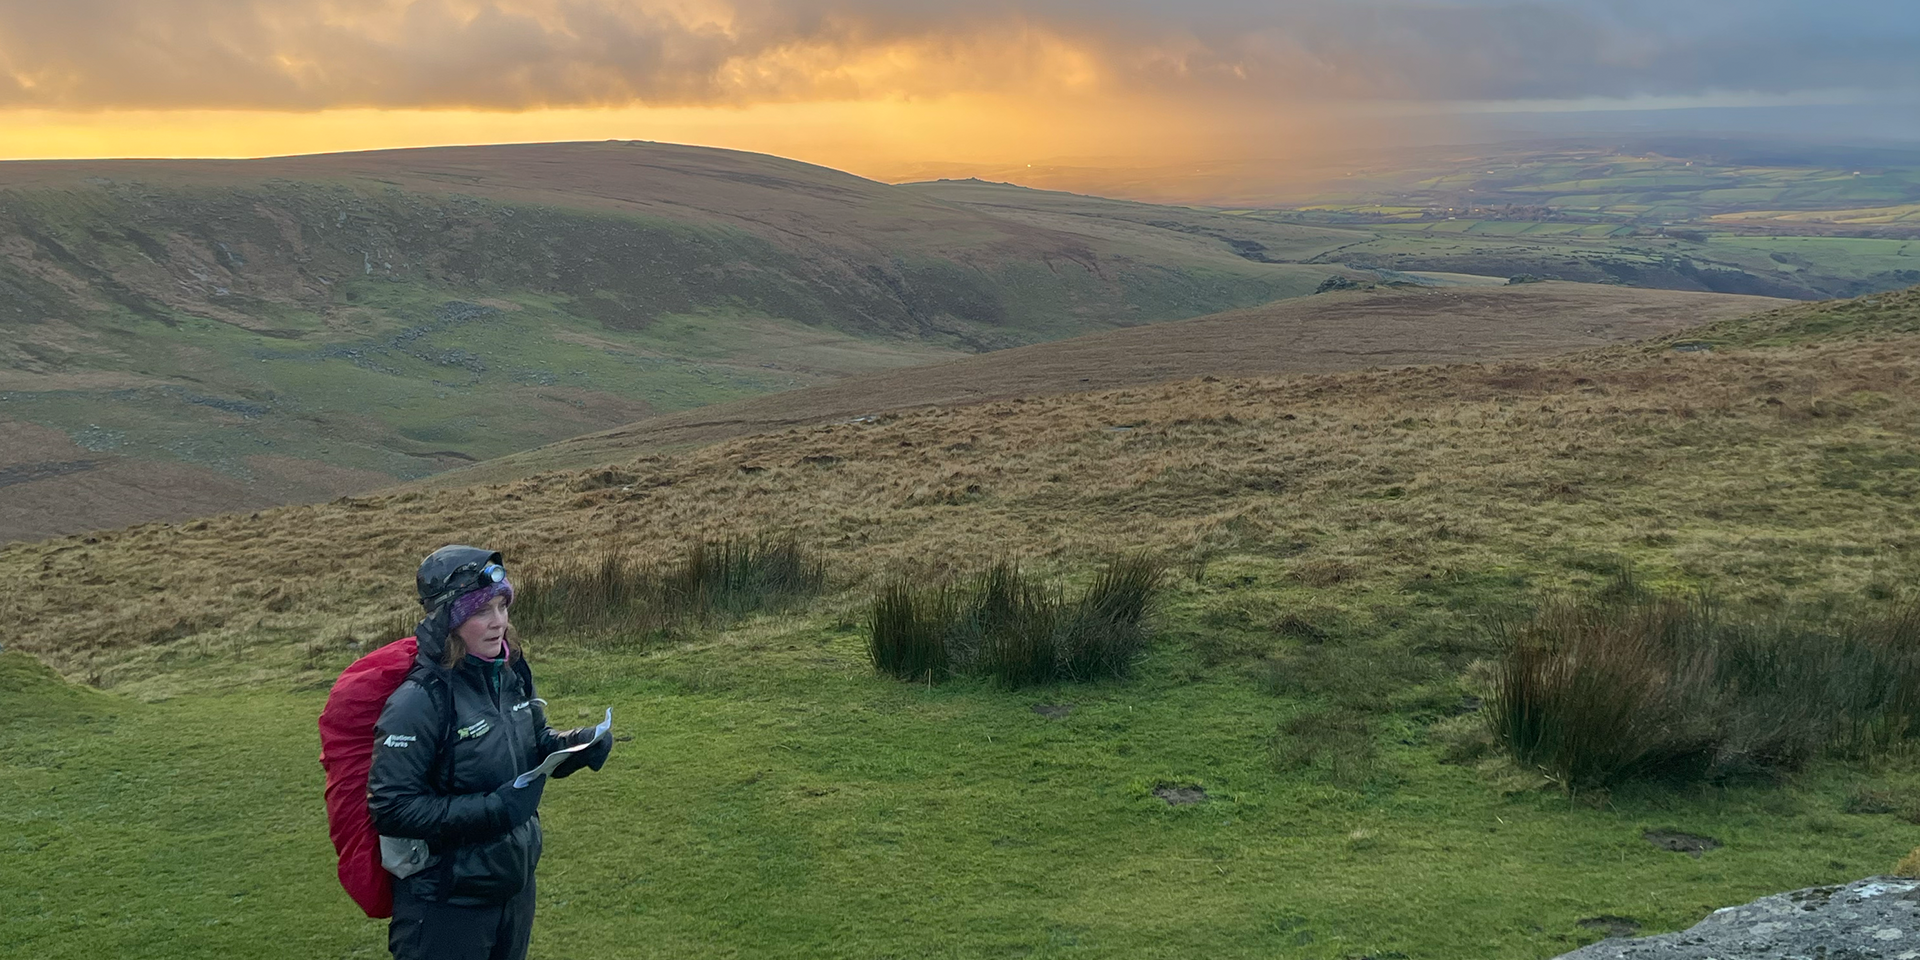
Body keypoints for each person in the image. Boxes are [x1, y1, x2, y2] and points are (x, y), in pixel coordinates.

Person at [369, 545, 612, 960]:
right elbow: (391, 807)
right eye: (483, 611)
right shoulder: (420, 700)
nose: (499, 622)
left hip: (513, 890)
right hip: (446, 906)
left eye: (503, 606)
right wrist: (495, 810)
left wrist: (573, 745)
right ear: (451, 620)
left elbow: (533, 742)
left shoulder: (510, 670)